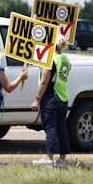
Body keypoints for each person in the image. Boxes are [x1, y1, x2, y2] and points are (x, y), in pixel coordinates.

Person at [30, 34, 71, 168]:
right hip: (62, 97)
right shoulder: (65, 59)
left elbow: (44, 82)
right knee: (62, 128)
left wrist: (37, 99)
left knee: (51, 129)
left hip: (51, 97)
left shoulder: (50, 60)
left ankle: (49, 159)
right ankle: (62, 159)